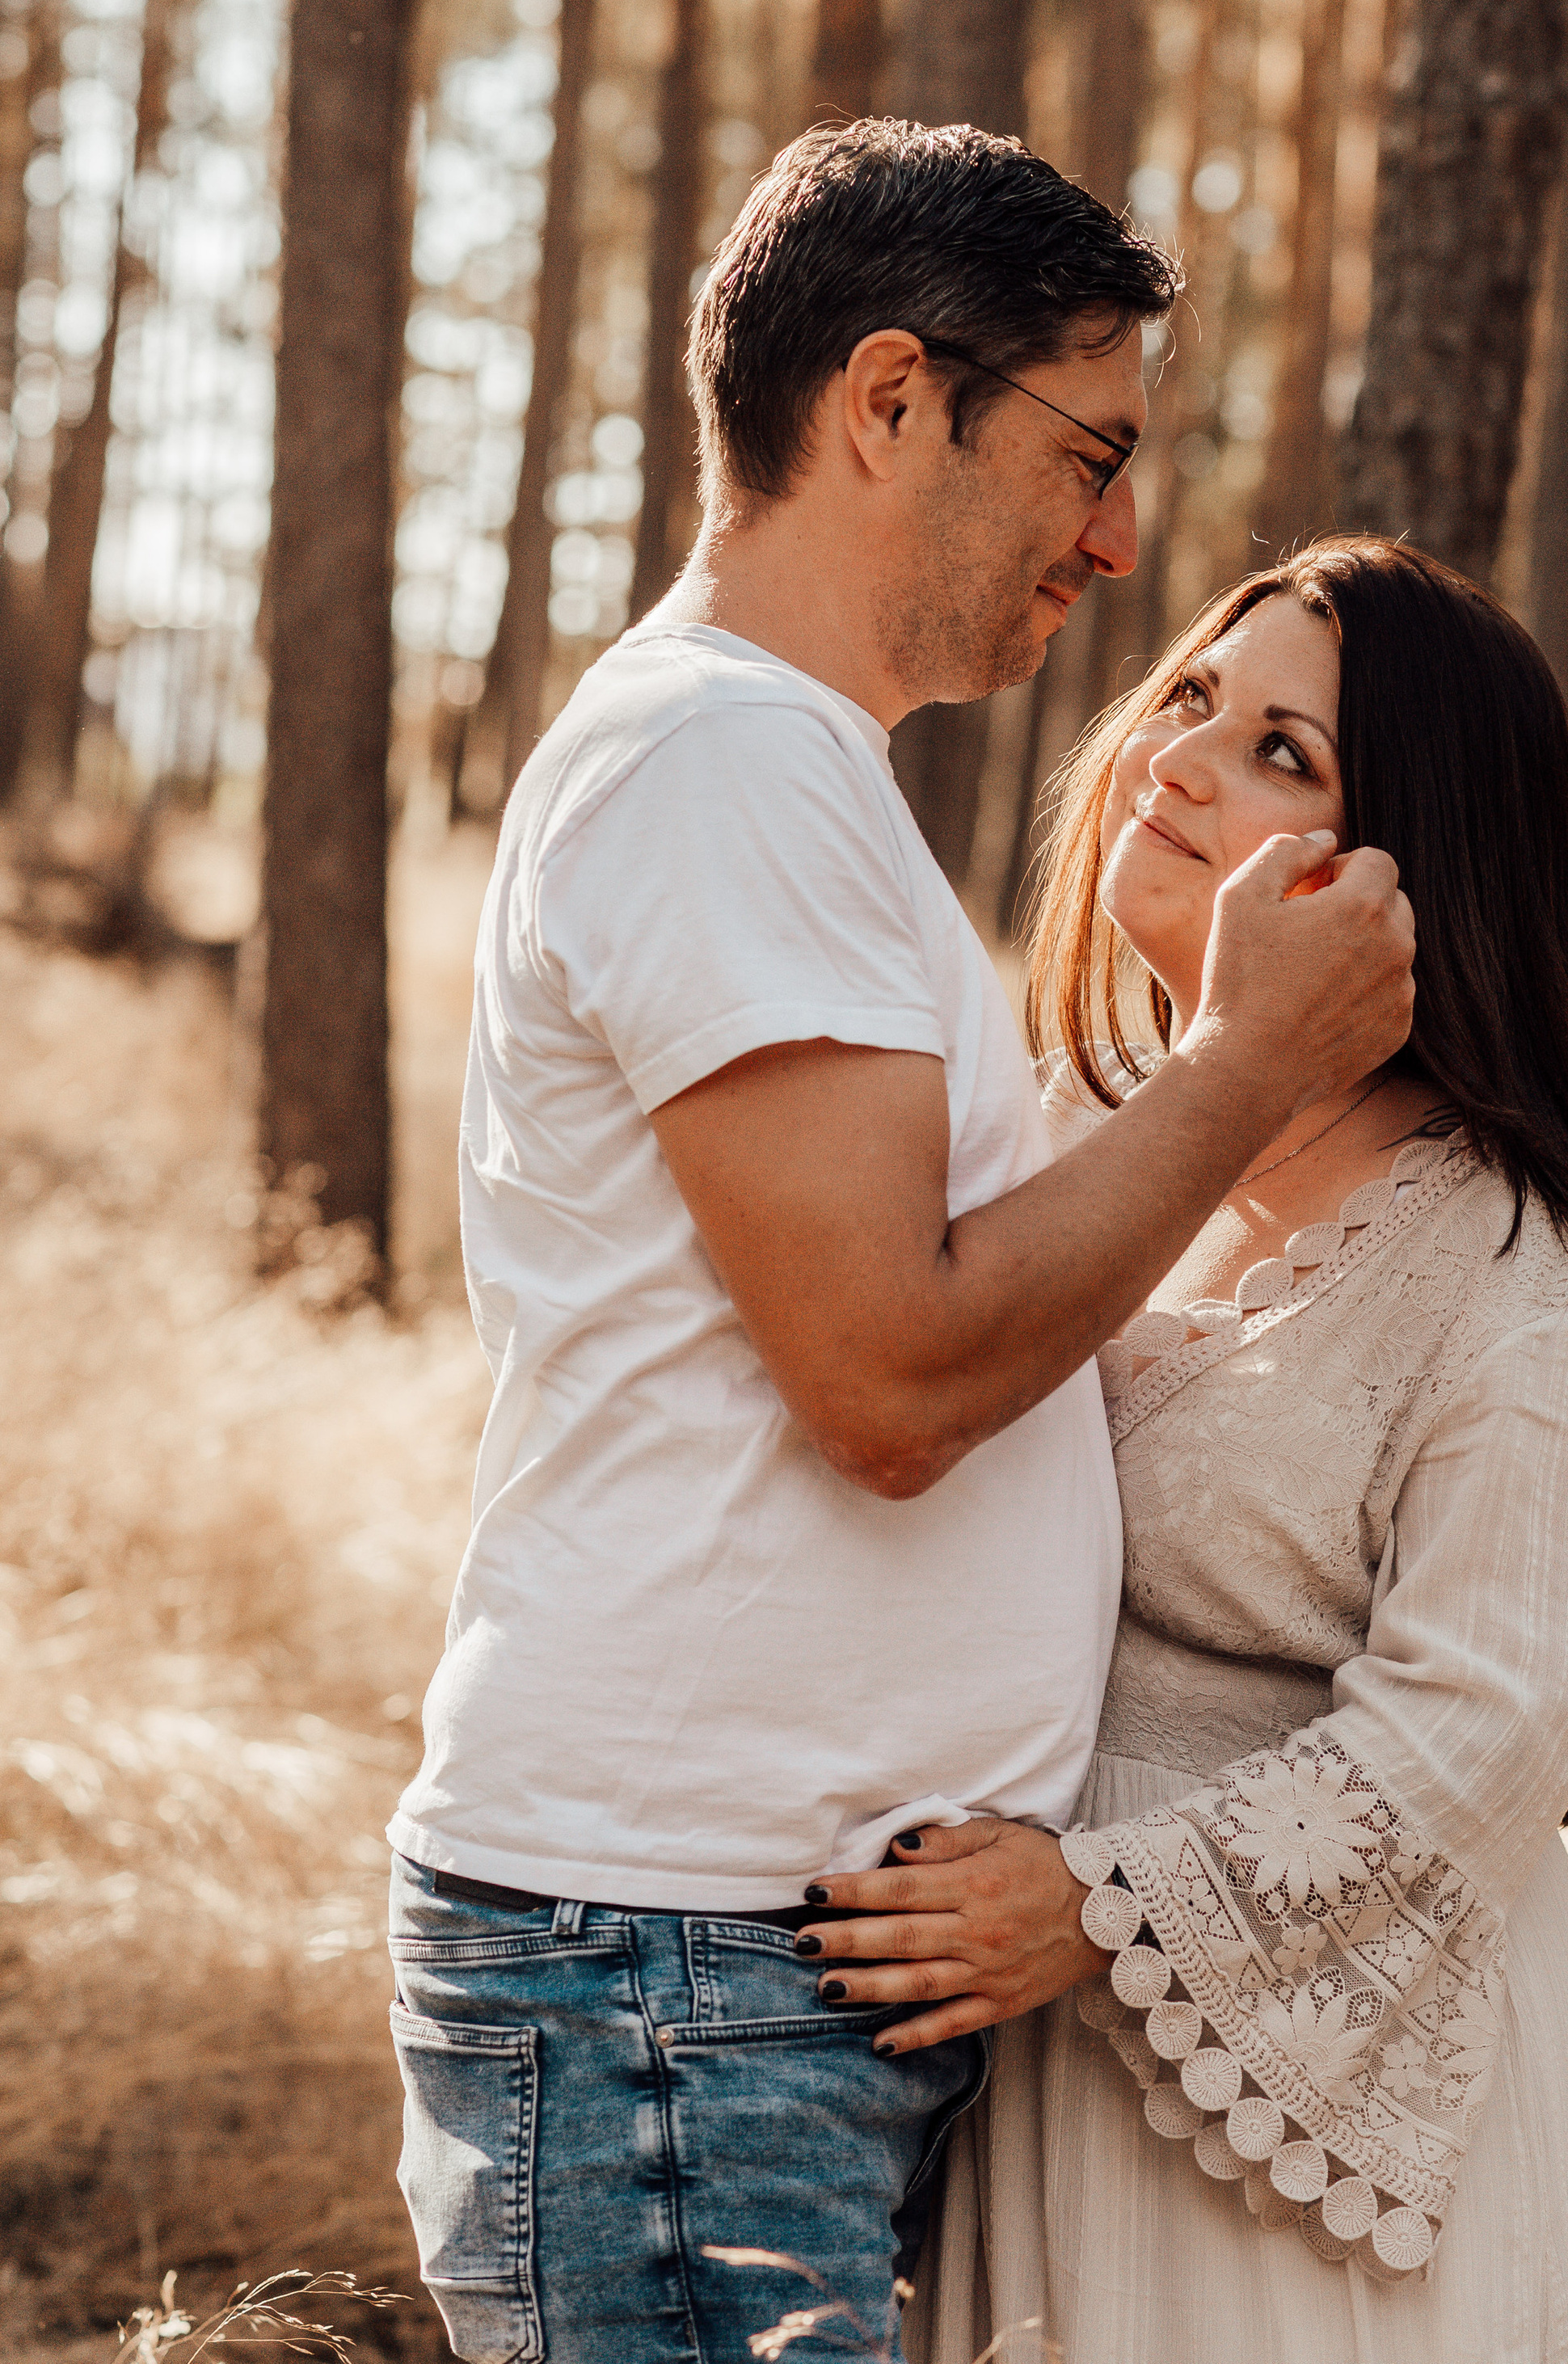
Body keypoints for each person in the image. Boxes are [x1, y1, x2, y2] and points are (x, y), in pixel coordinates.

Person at [383, 124, 1418, 2364]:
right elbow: (891, 1377)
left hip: (736, 1975)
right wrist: (1249, 1062)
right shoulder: (726, 766)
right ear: (888, 399)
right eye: (1086, 455)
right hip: (675, 1978)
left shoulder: (783, 772)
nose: (1117, 542)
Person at [802, 537, 1568, 2364]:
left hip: (1295, 2109)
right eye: (1195, 700)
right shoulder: (1062, 1146)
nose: (1179, 760)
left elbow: (1478, 1735)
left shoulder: (1522, 1300)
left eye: (1281, 754)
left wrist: (1093, 1909)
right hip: (1011, 2043)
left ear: (1408, 881)